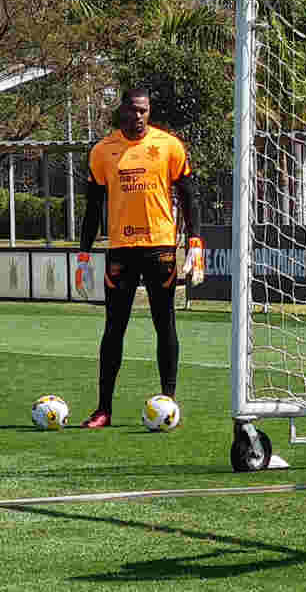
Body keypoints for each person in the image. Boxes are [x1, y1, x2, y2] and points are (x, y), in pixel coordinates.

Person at [76, 87, 205, 428]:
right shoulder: (102, 151)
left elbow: (190, 196)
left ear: (150, 112)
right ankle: (103, 409)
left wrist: (195, 242)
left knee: (165, 325)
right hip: (120, 251)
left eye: (143, 111)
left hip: (160, 248)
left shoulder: (169, 146)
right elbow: (92, 207)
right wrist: (84, 253)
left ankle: (169, 402)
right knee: (113, 329)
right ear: (122, 111)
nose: (138, 116)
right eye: (132, 110)